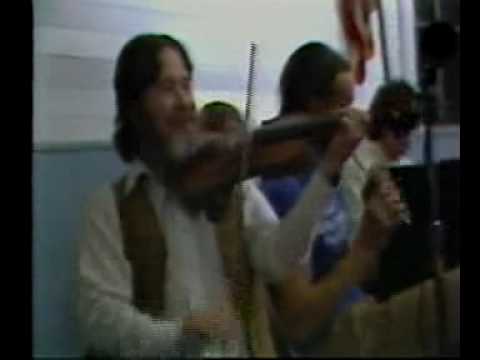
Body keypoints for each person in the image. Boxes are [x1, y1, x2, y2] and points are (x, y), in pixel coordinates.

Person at [76, 34, 379, 358]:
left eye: (186, 85)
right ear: (134, 107)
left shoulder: (234, 186)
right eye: (167, 88)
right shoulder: (109, 207)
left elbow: (279, 261)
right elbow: (98, 318)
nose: (184, 101)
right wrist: (176, 336)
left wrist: (328, 171)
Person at [260, 43, 460, 356]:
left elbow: (361, 273)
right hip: (335, 337)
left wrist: (379, 232)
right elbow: (298, 323)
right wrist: (365, 247)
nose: (356, 119)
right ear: (313, 105)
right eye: (344, 106)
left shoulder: (327, 169)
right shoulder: (280, 188)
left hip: (363, 310)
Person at [341, 80, 420, 239]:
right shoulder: (355, 164)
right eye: (401, 131)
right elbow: (357, 228)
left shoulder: (406, 165)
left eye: (410, 131)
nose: (407, 141)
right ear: (383, 125)